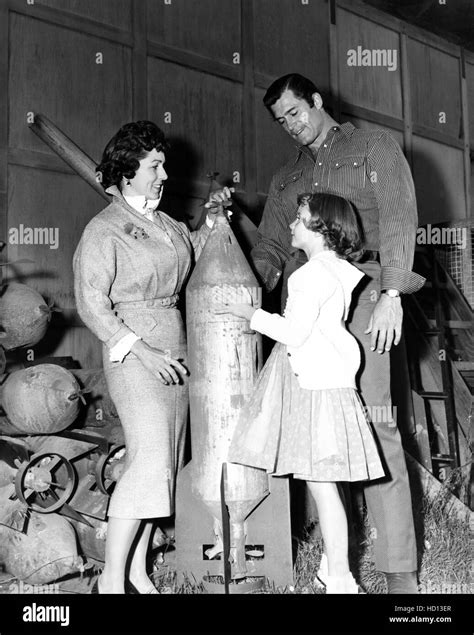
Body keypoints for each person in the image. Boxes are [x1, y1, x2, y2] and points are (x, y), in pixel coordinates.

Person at [249, 73, 426, 594]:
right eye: (281, 121)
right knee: (320, 439)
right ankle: (337, 565)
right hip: (308, 312)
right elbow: (271, 250)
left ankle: (400, 575)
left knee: (376, 426)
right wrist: (237, 277)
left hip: (367, 296)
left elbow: (398, 219)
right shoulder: (287, 179)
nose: (291, 126)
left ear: (317, 102)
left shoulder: (372, 147)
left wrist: (392, 294)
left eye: (295, 114)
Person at [73, 121, 229, 594]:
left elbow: (191, 257)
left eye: (164, 165)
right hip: (134, 356)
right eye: (154, 166)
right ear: (126, 171)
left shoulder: (167, 223)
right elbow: (90, 303)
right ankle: (111, 582)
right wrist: (141, 350)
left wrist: (214, 222)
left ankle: (139, 572)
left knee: (163, 468)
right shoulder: (104, 229)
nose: (164, 175)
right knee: (147, 462)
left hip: (175, 353)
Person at [217, 192, 385, 594]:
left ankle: (342, 580)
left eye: (299, 217)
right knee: (330, 482)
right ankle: (332, 566)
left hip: (316, 387)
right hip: (331, 382)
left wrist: (250, 315)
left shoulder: (308, 275)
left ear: (319, 228)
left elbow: (294, 333)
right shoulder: (338, 269)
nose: (291, 224)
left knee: (323, 486)